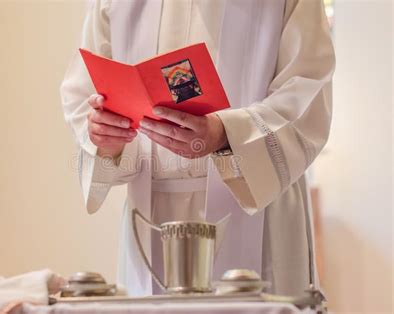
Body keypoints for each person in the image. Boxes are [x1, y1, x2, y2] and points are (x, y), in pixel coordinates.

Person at [61, 0, 335, 297]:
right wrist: (107, 138)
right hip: (151, 216)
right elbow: (85, 91)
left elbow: (307, 88)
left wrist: (227, 133)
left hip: (258, 205)